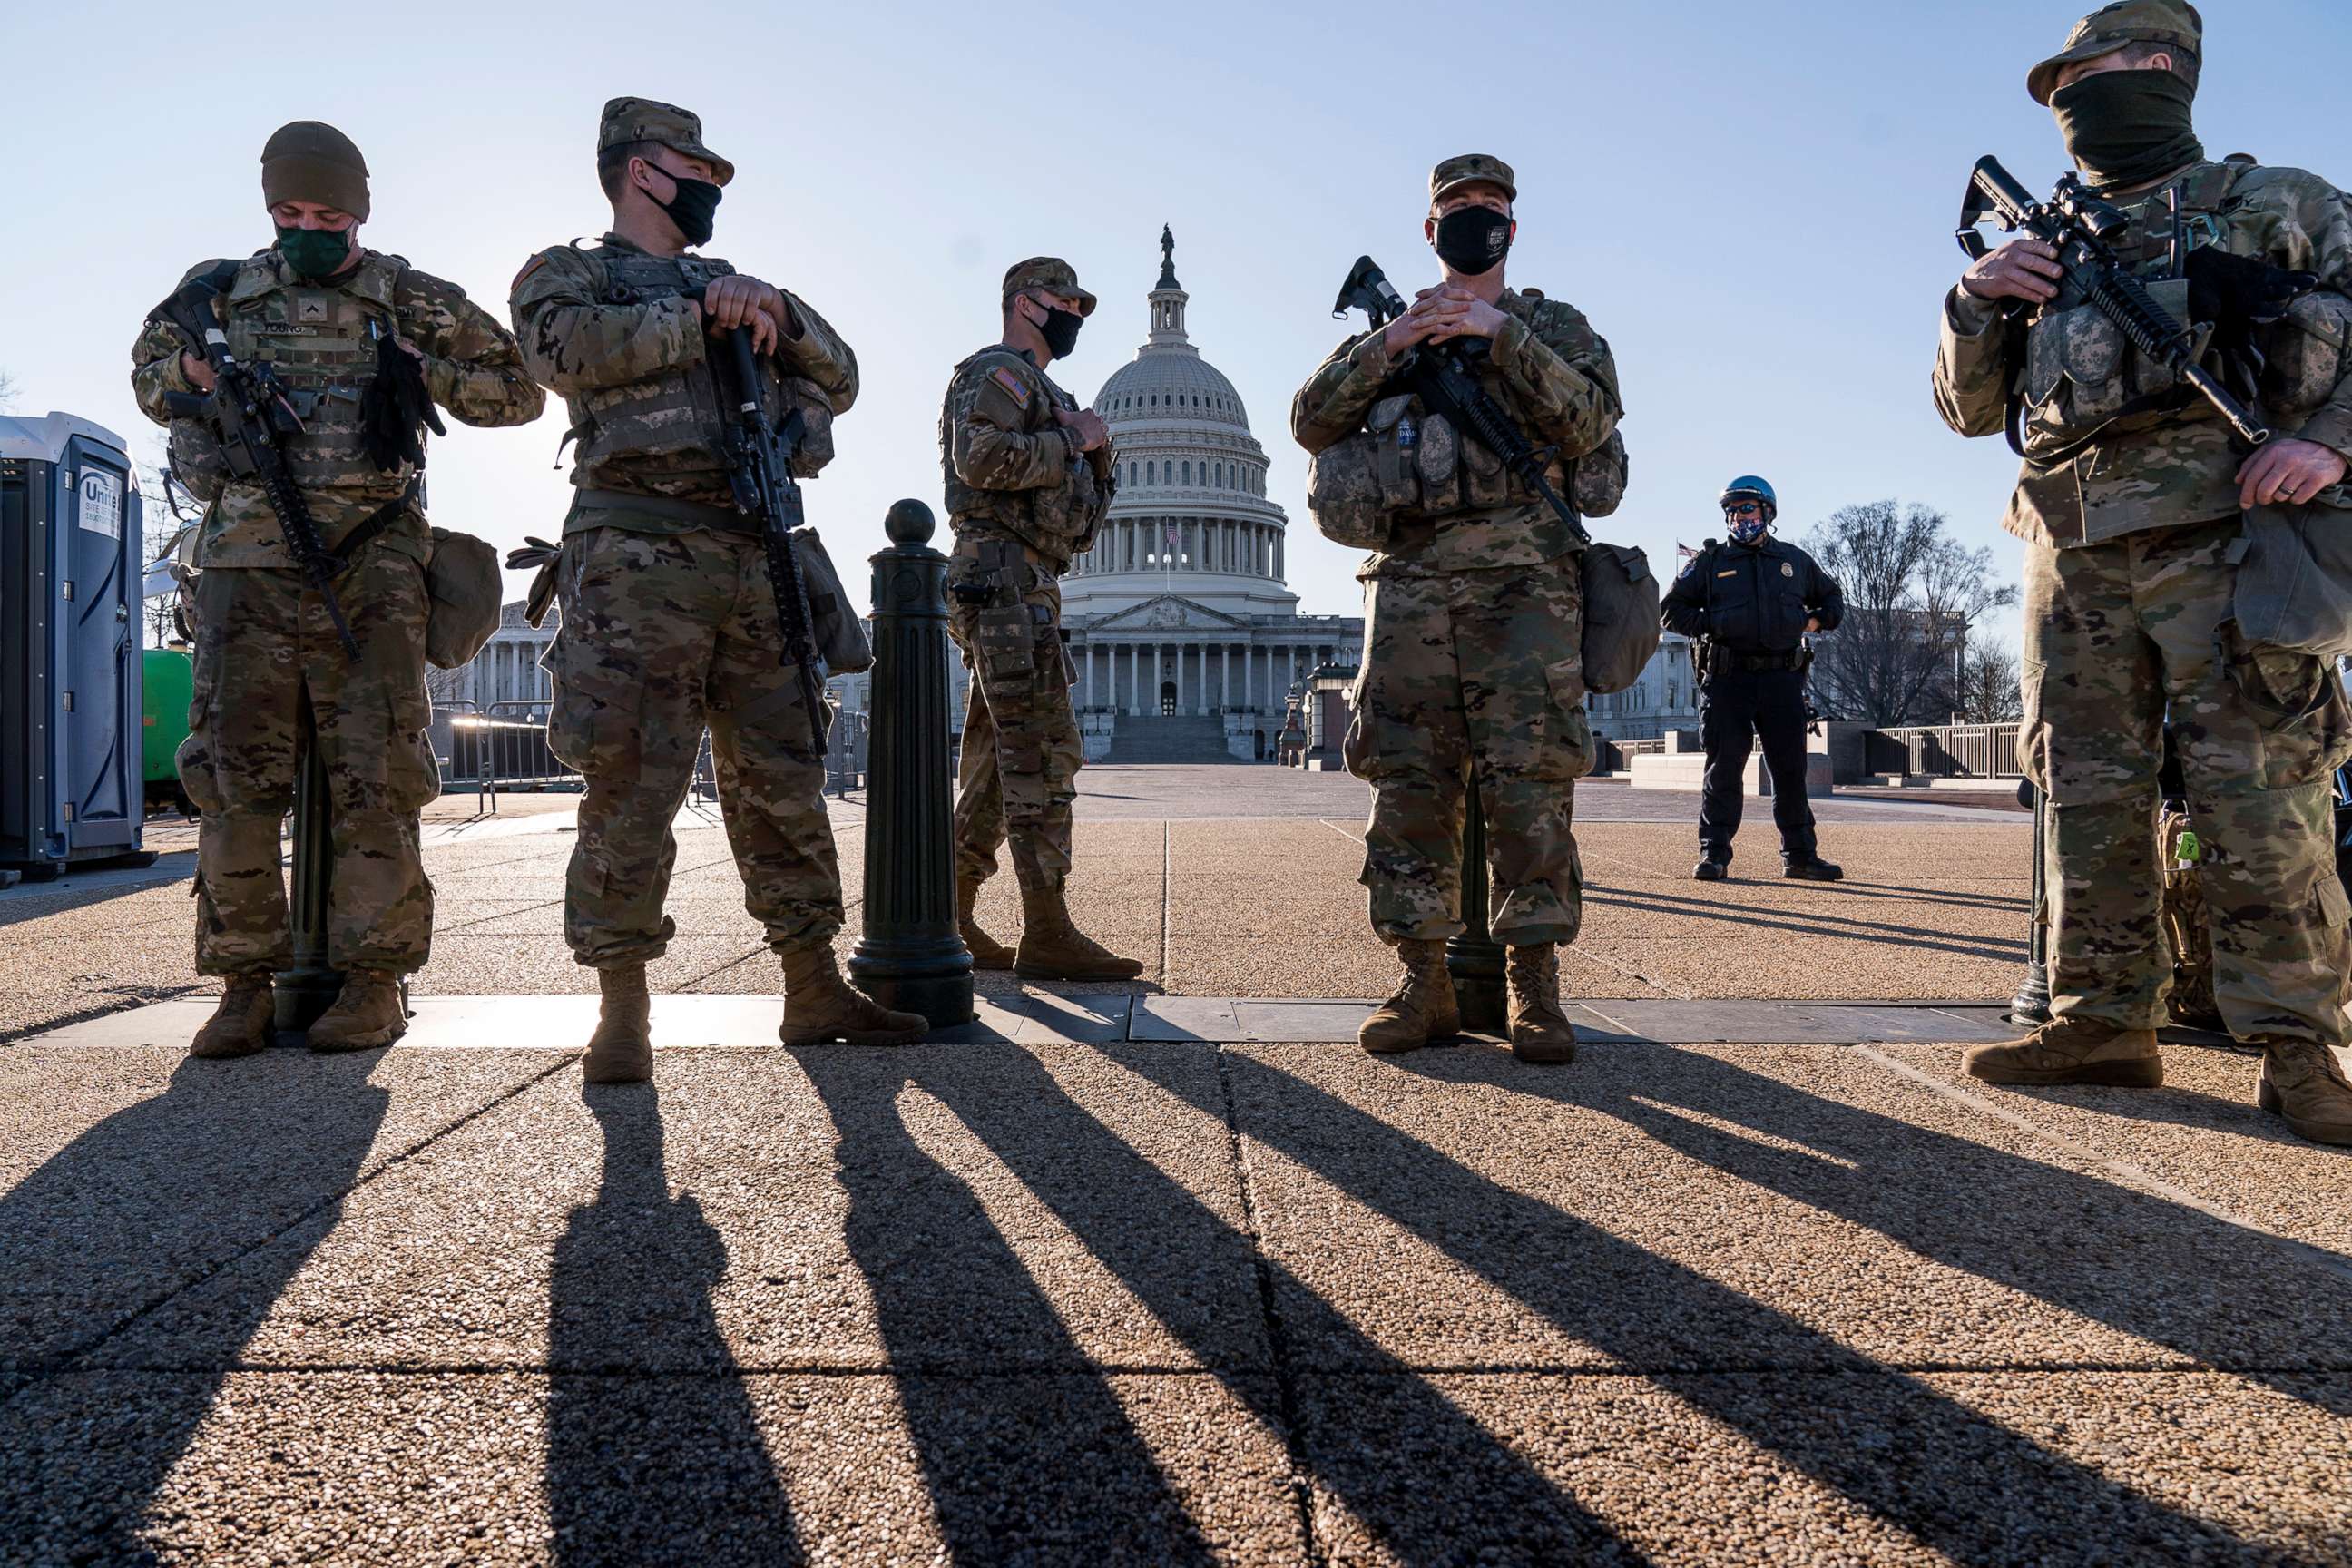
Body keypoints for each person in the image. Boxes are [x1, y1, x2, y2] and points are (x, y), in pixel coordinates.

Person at [1934, 1, 2352, 1145]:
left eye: (2088, 71)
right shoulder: (2044, 239)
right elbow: (1971, 412)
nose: (2071, 98)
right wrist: (1974, 301)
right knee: (2084, 797)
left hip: (2235, 534)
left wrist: (2332, 440)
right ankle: (2102, 1023)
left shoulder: (2283, 204)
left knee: (2261, 795)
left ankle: (2298, 1051)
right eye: (2060, 84)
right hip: (2069, 548)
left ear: (2161, 67)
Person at [511, 97, 925, 1083]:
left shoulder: (740, 285)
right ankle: (621, 1007)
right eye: (698, 170)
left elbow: (844, 375)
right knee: (629, 783)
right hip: (635, 557)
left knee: (783, 777)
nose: (710, 190)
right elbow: (554, 353)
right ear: (643, 169)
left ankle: (813, 982)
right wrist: (693, 317)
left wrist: (773, 312)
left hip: (753, 554)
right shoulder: (572, 273)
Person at [131, 122, 544, 1059]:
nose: (307, 228)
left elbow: (518, 391)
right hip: (247, 566)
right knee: (234, 783)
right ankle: (244, 986)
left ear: (359, 209)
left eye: (326, 213)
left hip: (371, 565)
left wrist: (418, 367)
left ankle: (375, 979)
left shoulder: (404, 294)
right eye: (289, 212)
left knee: (378, 776)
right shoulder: (218, 293)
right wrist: (195, 373)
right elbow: (150, 375)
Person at [1293, 154, 1622, 1063]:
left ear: (1512, 228)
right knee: (1408, 784)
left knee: (1532, 783)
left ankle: (1535, 987)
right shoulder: (1392, 330)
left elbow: (1595, 422)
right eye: (1457, 210)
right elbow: (1309, 417)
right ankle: (1420, 980)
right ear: (1430, 231)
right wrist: (1394, 345)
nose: (1476, 221)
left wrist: (1498, 335)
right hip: (1412, 581)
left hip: (1526, 585)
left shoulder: (1553, 326)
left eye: (1491, 209)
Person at [938, 258, 1142, 981]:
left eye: (1083, 304)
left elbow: (1079, 526)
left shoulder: (1051, 393)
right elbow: (981, 460)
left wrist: (1099, 452)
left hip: (1027, 578)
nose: (1077, 315)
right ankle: (1046, 928)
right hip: (1003, 577)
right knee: (1044, 756)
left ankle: (952, 914)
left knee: (998, 763)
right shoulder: (1002, 375)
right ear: (1026, 303)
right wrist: (1072, 443)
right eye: (1066, 301)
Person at [1661, 476, 1846, 881]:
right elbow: (1671, 610)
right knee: (1725, 767)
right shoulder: (1709, 563)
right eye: (1732, 510)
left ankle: (1799, 856)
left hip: (1782, 678)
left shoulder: (1794, 562)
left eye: (1747, 508)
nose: (1739, 517)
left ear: (1767, 513)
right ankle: (1714, 854)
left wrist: (1813, 620)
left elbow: (1834, 600)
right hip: (1728, 679)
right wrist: (1714, 624)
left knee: (1789, 769)